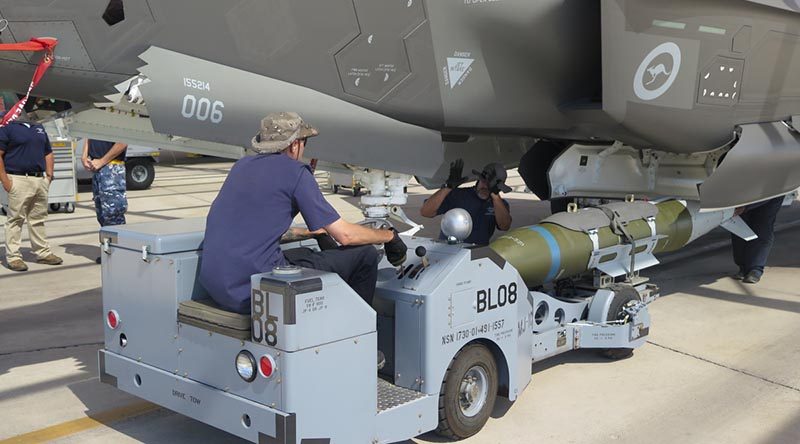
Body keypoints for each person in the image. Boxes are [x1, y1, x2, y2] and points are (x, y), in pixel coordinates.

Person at [199, 112, 407, 314]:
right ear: (294, 144)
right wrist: (389, 236)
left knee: (305, 255)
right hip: (254, 293)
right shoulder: (296, 173)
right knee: (365, 256)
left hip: (219, 287)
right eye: (304, 143)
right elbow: (345, 236)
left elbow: (258, 221)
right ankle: (360, 332)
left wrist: (309, 233)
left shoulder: (241, 166)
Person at [0, 112, 63, 271]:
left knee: (38, 218)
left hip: (39, 180)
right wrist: (5, 181)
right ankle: (13, 257)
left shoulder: (39, 127)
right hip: (18, 179)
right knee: (16, 219)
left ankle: (43, 253)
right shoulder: (8, 128)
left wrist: (49, 176)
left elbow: (48, 152)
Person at [420, 159, 512, 245]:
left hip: (477, 254)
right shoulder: (458, 195)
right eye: (483, 181)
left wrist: (495, 196)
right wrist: (447, 187)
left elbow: (504, 226)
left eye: (489, 184)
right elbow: (426, 212)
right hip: (449, 249)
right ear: (479, 179)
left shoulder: (500, 205)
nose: (485, 186)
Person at [81, 138, 128, 264]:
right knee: (102, 214)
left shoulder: (117, 118)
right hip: (98, 168)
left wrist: (102, 161)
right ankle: (109, 252)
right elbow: (88, 136)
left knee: (113, 214)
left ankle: (119, 255)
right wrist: (84, 156)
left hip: (112, 168)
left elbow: (123, 142)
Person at [731, 196, 785, 284]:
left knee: (762, 227)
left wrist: (746, 207)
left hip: (771, 194)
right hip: (743, 196)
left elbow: (770, 191)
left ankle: (755, 269)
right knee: (739, 227)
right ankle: (743, 268)